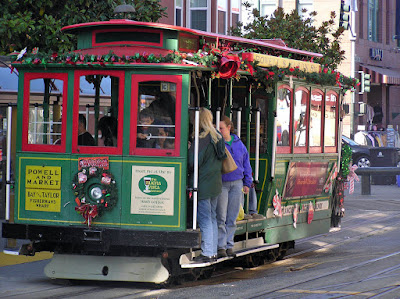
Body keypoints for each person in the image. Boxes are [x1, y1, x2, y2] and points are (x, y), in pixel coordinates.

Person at [188, 108, 226, 263]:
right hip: (215, 183)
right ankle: (213, 250)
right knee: (212, 218)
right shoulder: (217, 136)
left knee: (204, 219)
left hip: (202, 183)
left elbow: (193, 162)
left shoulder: (201, 139)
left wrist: (190, 149)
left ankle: (208, 252)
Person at [217, 116, 252, 258]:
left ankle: (229, 245)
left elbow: (246, 163)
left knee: (231, 217)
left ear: (229, 128)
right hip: (222, 183)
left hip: (237, 183)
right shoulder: (217, 143)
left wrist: (247, 183)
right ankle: (221, 246)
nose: (219, 131)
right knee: (221, 216)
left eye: (221, 128)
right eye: (217, 129)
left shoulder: (239, 144)